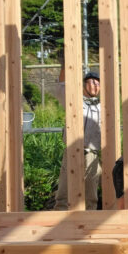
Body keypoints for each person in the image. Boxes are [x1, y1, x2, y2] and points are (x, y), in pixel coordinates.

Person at [53, 67, 102, 210]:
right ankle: (60, 220)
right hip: (72, 151)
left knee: (91, 197)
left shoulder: (103, 106)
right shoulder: (74, 102)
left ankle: (89, 220)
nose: (96, 86)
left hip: (92, 154)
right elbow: (61, 87)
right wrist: (64, 64)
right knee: (64, 194)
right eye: (92, 82)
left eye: (98, 83)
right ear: (84, 85)